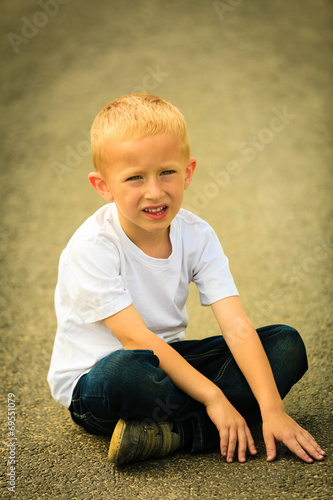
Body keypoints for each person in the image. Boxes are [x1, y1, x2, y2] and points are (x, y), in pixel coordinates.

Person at [47, 93, 325, 466]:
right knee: (125, 371)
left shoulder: (197, 234)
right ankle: (210, 424)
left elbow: (237, 325)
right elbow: (135, 339)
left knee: (285, 345)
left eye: (167, 172)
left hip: (169, 363)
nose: (155, 191)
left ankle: (173, 433)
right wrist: (215, 398)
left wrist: (273, 408)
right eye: (134, 178)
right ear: (103, 186)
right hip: (101, 380)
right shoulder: (92, 247)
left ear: (188, 172)